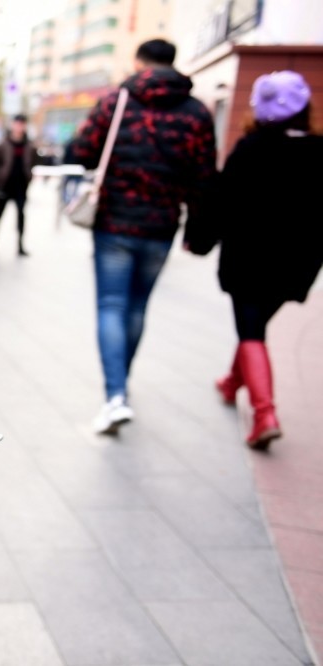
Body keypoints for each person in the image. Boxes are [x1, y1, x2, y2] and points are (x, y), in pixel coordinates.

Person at [68, 38, 217, 435]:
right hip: (162, 225)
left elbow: (81, 151)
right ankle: (122, 384)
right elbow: (205, 179)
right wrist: (199, 232)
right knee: (136, 308)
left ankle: (115, 394)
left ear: (139, 62)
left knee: (111, 305)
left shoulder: (117, 101)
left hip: (114, 223)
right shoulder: (197, 112)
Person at [185, 70, 322, 450]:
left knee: (251, 331)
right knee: (255, 325)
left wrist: (199, 240)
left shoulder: (252, 148)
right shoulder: (319, 152)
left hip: (248, 261)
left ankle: (264, 413)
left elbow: (220, 200)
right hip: (297, 265)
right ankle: (232, 382)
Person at [0, 114, 35, 256]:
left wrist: (29, 176)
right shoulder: (3, 144)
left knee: (21, 215)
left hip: (21, 186)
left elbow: (33, 162)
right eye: (17, 123)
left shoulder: (29, 145)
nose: (19, 127)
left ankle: (20, 246)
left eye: (22, 124)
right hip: (5, 186)